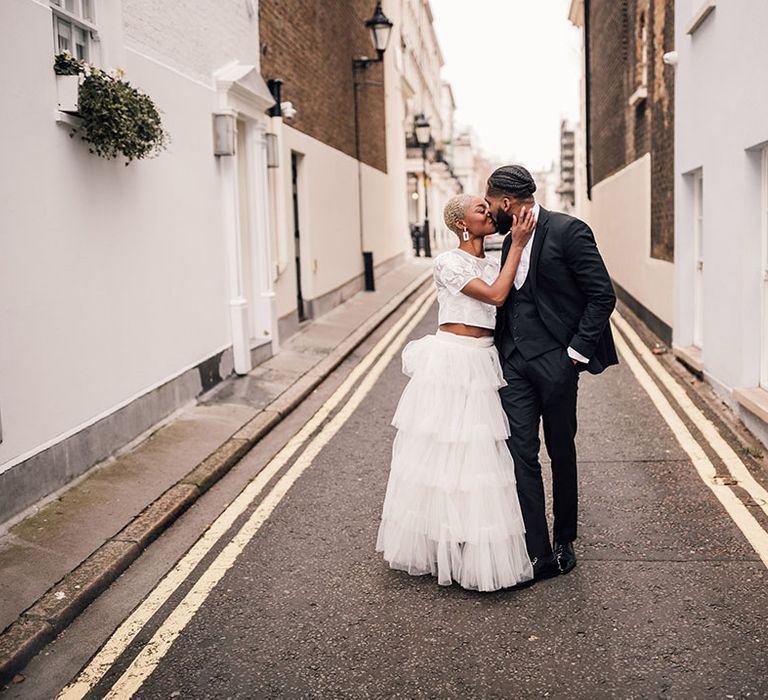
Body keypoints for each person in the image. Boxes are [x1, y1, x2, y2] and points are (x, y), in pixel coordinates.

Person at [376, 194, 536, 592]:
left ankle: (470, 539)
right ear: (463, 224)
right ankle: (441, 542)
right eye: (480, 210)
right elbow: (496, 296)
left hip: (484, 361)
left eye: (487, 207)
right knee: (444, 452)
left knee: (478, 455)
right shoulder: (448, 262)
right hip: (451, 361)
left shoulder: (494, 261)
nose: (488, 212)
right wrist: (517, 244)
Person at [485, 164, 618, 581]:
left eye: (491, 204)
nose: (490, 212)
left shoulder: (567, 231)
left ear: (507, 203)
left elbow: (602, 295)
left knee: (560, 450)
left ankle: (564, 538)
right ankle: (536, 550)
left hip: (558, 362)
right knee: (520, 453)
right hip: (514, 364)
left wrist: (575, 354)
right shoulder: (509, 242)